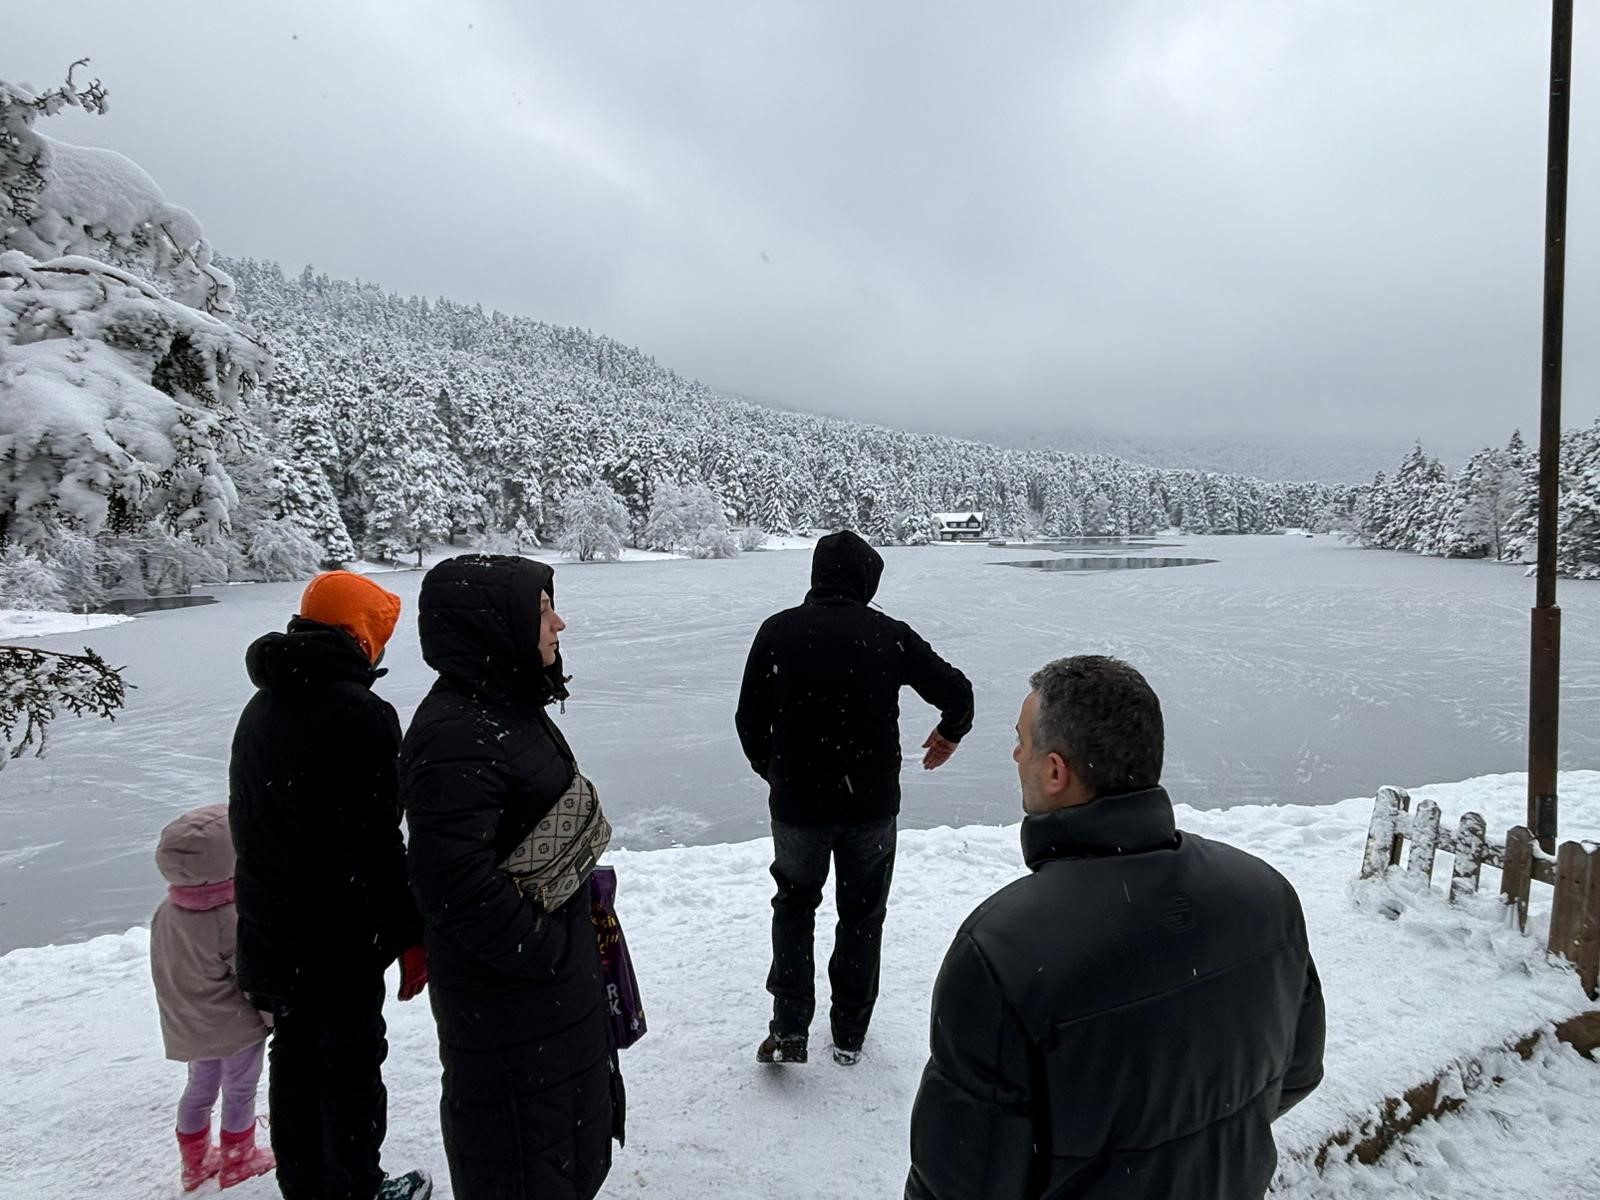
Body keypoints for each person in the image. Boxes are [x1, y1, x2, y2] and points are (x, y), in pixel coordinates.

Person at [905, 655, 1325, 1200]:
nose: (1015, 755)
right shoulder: (1265, 894)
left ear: (1056, 772)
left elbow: (962, 1185)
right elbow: (1297, 1073)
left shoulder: (1003, 951)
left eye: (1022, 741)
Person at [401, 555, 618, 1200]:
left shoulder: (505, 708)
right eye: (542, 609)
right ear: (493, 626)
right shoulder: (455, 734)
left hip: (543, 997)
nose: (560, 622)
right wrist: (546, 948)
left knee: (557, 1151)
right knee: (522, 1160)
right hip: (512, 1003)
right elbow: (452, 885)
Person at [736, 529, 974, 1066]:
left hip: (798, 805)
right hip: (870, 807)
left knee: (795, 908)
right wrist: (950, 733)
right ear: (867, 579)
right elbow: (958, 692)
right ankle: (849, 1035)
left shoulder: (778, 632)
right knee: (863, 917)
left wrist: (775, 773)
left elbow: (748, 720)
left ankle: (790, 1029)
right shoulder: (887, 635)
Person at [229, 570, 432, 1200]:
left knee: (294, 1058)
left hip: (272, 923)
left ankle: (309, 1187)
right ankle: (359, 1188)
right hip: (338, 931)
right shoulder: (359, 713)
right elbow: (375, 842)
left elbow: (257, 824)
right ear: (360, 632)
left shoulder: (261, 706)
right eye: (380, 631)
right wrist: (408, 934)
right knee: (349, 1061)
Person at [150, 804, 275, 1192]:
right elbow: (252, 977)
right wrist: (272, 1018)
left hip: (190, 1023)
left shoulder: (166, 913)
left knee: (200, 1088)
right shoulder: (230, 918)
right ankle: (239, 1159)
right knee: (239, 1087)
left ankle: (195, 1162)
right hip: (233, 1027)